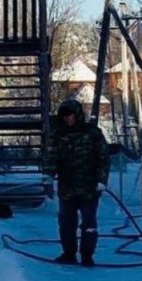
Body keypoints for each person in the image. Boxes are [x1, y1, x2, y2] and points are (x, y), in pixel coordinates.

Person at [45, 98, 110, 267]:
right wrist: (49, 174)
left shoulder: (92, 133)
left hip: (89, 187)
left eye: (70, 115)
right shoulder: (58, 135)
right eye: (65, 116)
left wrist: (102, 180)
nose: (68, 119)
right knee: (66, 223)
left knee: (88, 223)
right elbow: (52, 156)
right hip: (67, 187)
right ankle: (69, 253)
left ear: (78, 114)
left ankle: (87, 255)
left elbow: (103, 158)